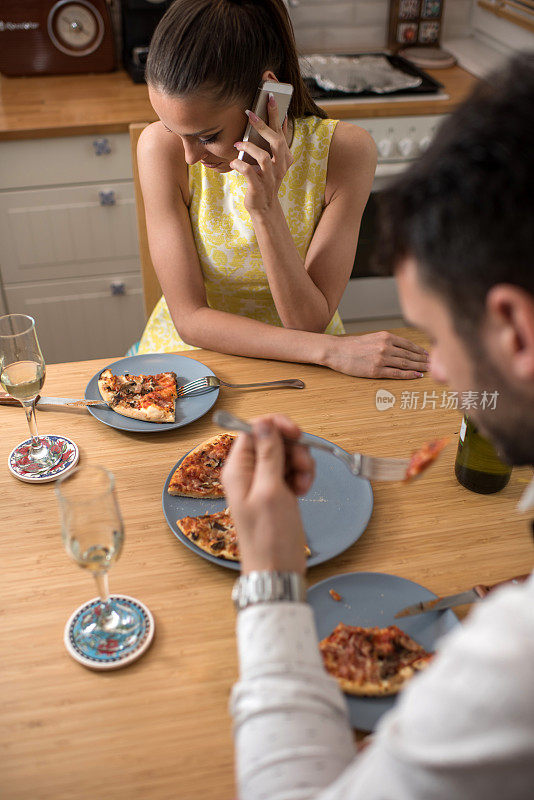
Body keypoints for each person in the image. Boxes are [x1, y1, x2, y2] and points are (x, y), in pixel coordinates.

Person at [221, 52, 534, 799]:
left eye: (433, 333)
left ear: (515, 331)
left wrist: (268, 576)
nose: (439, 372)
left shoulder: (516, 659)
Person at [135, 0, 429, 380]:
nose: (190, 157)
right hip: (197, 358)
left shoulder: (345, 154)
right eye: (175, 130)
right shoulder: (160, 148)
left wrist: (265, 210)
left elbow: (307, 323)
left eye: (208, 137)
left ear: (268, 97)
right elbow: (190, 319)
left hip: (310, 354)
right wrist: (331, 351)